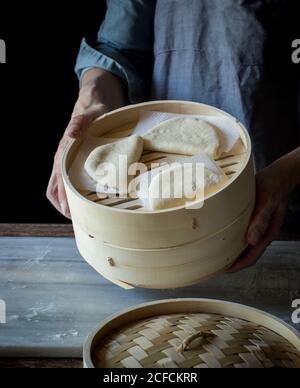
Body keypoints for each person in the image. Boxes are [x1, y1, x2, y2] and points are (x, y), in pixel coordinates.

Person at [47, 0, 300, 272]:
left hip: (281, 204)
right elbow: (119, 50)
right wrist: (91, 101)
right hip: (159, 210)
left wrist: (287, 172)